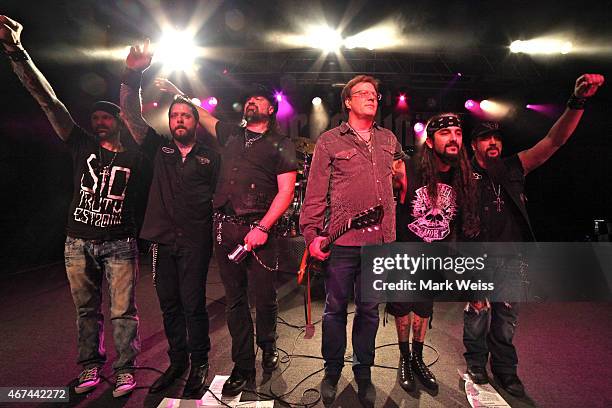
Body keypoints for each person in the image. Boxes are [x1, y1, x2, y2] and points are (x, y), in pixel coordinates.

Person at [0, 15, 144, 397]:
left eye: (104, 117)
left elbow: (135, 115)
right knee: (85, 311)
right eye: (94, 116)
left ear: (116, 121)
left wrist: (132, 78)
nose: (97, 122)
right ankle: (90, 369)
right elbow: (48, 100)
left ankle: (126, 370)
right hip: (77, 241)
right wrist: (17, 52)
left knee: (123, 312)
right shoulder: (80, 142)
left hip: (119, 242)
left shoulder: (134, 153)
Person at [464, 73, 605, 398]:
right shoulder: (465, 175)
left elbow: (554, 141)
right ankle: (475, 363)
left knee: (505, 321)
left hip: (513, 259)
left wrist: (577, 101)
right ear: (475, 145)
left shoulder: (514, 167)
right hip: (477, 259)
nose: (493, 143)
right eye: (485, 139)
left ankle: (506, 371)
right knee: (477, 316)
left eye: (496, 138)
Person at [155, 75, 297, 395]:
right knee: (234, 301)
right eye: (249, 100)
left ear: (272, 110)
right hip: (224, 227)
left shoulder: (282, 144)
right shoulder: (232, 134)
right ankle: (243, 365)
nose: (251, 102)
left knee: (264, 298)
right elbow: (202, 114)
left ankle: (268, 346)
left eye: (259, 100)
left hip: (260, 230)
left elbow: (286, 192)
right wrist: (179, 93)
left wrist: (263, 228)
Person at [120, 41, 221, 399]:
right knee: (169, 304)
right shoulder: (158, 148)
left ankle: (200, 361)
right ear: (170, 121)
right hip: (162, 241)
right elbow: (130, 115)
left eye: (186, 116)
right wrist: (134, 74)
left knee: (193, 303)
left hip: (195, 241)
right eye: (175, 116)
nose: (179, 120)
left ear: (195, 121)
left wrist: (186, 96)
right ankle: (177, 362)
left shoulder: (211, 157)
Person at [299, 75, 406, 407]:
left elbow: (401, 172)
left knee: (370, 310)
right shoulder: (330, 141)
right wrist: (312, 235)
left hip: (380, 242)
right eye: (363, 94)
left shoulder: (389, 139)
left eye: (375, 95)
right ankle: (332, 371)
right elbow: (315, 194)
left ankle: (363, 372)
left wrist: (400, 182)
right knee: (334, 310)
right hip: (343, 241)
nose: (372, 98)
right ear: (347, 102)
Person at [391, 113, 480, 393]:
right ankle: (404, 358)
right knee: (403, 308)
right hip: (406, 252)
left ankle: (417, 357)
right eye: (445, 133)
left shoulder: (464, 173)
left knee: (424, 308)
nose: (453, 137)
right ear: (429, 141)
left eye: (457, 132)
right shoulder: (406, 168)